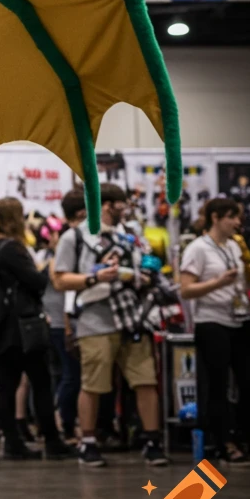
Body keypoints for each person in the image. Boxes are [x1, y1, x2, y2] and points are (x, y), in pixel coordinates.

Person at [53, 183, 168, 468]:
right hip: (95, 319)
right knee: (93, 384)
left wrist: (145, 274)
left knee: (145, 380)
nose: (125, 210)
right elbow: (60, 279)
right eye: (120, 205)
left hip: (134, 317)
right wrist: (94, 278)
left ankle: (152, 441)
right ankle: (88, 441)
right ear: (106, 205)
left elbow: (148, 266)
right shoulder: (75, 237)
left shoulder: (130, 235)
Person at [0, 198, 74, 460]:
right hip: (23, 327)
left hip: (1, 326)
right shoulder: (12, 248)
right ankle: (52, 441)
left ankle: (12, 442)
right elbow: (36, 281)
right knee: (41, 382)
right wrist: (49, 268)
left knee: (7, 386)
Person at [179, 197, 250, 463]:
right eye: (231, 217)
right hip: (212, 322)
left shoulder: (235, 246)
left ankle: (245, 435)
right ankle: (222, 440)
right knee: (216, 384)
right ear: (215, 218)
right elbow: (186, 289)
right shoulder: (198, 248)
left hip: (240, 319)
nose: (237, 223)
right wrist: (217, 283)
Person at [48, 191, 86, 442]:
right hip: (65, 321)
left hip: (69, 320)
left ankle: (69, 424)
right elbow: (61, 284)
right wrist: (67, 325)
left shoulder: (76, 238)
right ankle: (66, 424)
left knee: (73, 376)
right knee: (71, 376)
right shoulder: (71, 239)